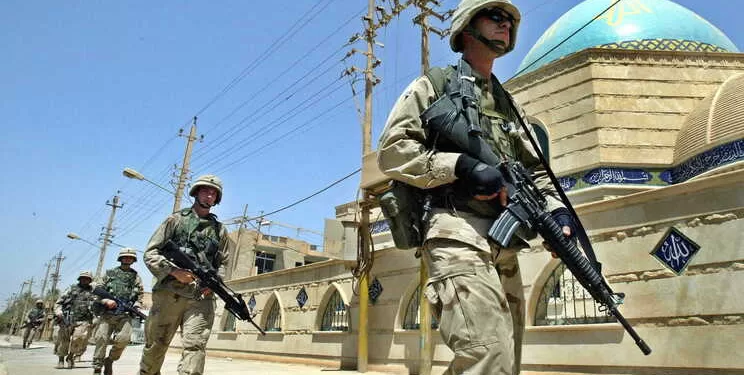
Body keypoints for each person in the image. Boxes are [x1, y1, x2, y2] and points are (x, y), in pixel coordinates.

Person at [377, 0, 576, 373]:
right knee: (487, 356)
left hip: (504, 243)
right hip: (456, 230)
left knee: (507, 361)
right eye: (495, 17)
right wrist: (460, 166)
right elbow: (392, 151)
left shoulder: (508, 103)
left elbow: (536, 170)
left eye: (510, 20)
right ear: (467, 27)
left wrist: (557, 212)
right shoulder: (434, 85)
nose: (506, 24)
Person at [139, 174, 230, 375]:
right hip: (170, 294)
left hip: (200, 298)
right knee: (156, 345)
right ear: (196, 192)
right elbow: (150, 253)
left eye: (214, 193)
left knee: (195, 348)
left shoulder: (220, 231)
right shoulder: (176, 220)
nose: (209, 195)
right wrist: (173, 271)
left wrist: (215, 281)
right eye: (206, 190)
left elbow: (224, 263)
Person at [92, 247, 144, 375]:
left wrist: (136, 306)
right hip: (107, 313)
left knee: (124, 340)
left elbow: (140, 295)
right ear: (120, 258)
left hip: (125, 314)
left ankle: (110, 360)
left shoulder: (135, 276)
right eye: (125, 257)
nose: (127, 259)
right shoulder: (109, 273)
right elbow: (96, 290)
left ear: (133, 260)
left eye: (130, 257)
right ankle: (98, 368)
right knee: (101, 339)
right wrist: (105, 301)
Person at [54, 271, 97, 369]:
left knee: (79, 339)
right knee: (64, 340)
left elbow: (96, 307)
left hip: (84, 320)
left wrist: (95, 319)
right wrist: (58, 312)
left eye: (87, 278)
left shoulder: (93, 292)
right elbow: (59, 302)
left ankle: (70, 357)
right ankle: (61, 359)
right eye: (83, 278)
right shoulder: (71, 289)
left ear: (90, 280)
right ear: (79, 278)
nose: (85, 280)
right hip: (67, 319)